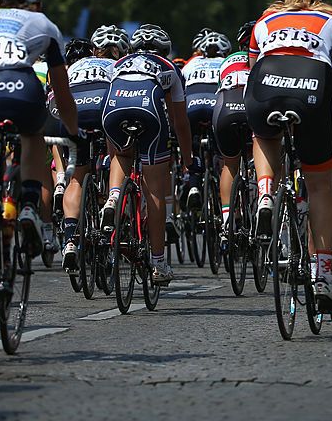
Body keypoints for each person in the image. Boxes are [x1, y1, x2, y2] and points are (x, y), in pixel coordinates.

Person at [245, 0, 332, 311]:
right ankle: (324, 273)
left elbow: (254, 70)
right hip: (312, 87)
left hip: (265, 85)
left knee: (263, 135)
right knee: (319, 186)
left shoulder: (263, 23)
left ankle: (266, 193)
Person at [101, 24, 192, 285]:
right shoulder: (169, 66)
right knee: (154, 191)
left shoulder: (118, 63)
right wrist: (187, 159)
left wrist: (112, 155)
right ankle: (159, 262)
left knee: (122, 155)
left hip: (113, 112)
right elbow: (180, 122)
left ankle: (114, 197)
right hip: (149, 112)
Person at [0, 0, 77, 258]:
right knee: (32, 135)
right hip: (23, 88)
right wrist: (72, 131)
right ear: (39, 1)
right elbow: (61, 89)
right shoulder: (45, 24)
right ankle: (29, 206)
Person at [57, 27, 128, 270]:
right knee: (121, 153)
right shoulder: (118, 66)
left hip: (75, 111)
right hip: (103, 109)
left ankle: (70, 240)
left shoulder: (74, 66)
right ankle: (111, 194)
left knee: (77, 179)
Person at [212, 22, 255, 239]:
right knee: (271, 150)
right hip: (251, 106)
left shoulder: (227, 60)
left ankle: (228, 220)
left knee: (229, 163)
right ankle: (266, 200)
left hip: (225, 108)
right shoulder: (269, 57)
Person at [181, 30, 230, 211]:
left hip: (192, 106)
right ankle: (224, 189)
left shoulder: (192, 63)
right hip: (215, 106)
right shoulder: (226, 62)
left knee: (192, 146)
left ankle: (193, 184)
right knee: (225, 152)